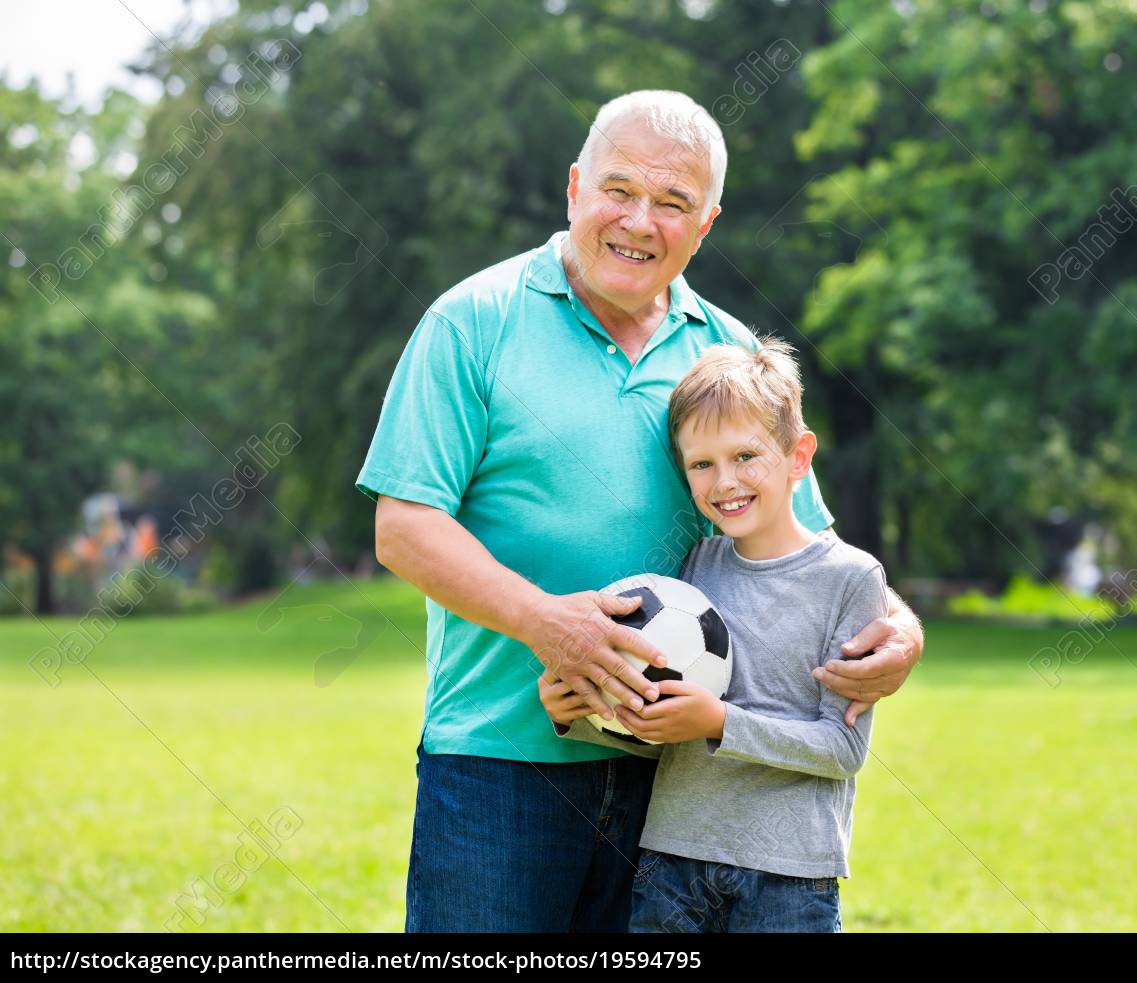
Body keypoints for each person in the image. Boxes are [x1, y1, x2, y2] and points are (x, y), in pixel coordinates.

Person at [358, 89, 924, 933]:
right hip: (501, 763)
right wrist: (551, 624)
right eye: (619, 190)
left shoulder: (728, 358)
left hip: (680, 784)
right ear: (576, 187)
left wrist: (900, 627)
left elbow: (806, 543)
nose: (638, 220)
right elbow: (404, 528)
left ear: (707, 223)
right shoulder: (473, 320)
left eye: (673, 203)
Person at [539, 338, 884, 933]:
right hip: (671, 864)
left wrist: (721, 724)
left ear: (798, 455)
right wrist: (580, 711)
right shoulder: (693, 569)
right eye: (702, 464)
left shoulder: (852, 578)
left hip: (789, 876)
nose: (725, 482)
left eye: (746, 455)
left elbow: (843, 750)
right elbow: (668, 727)